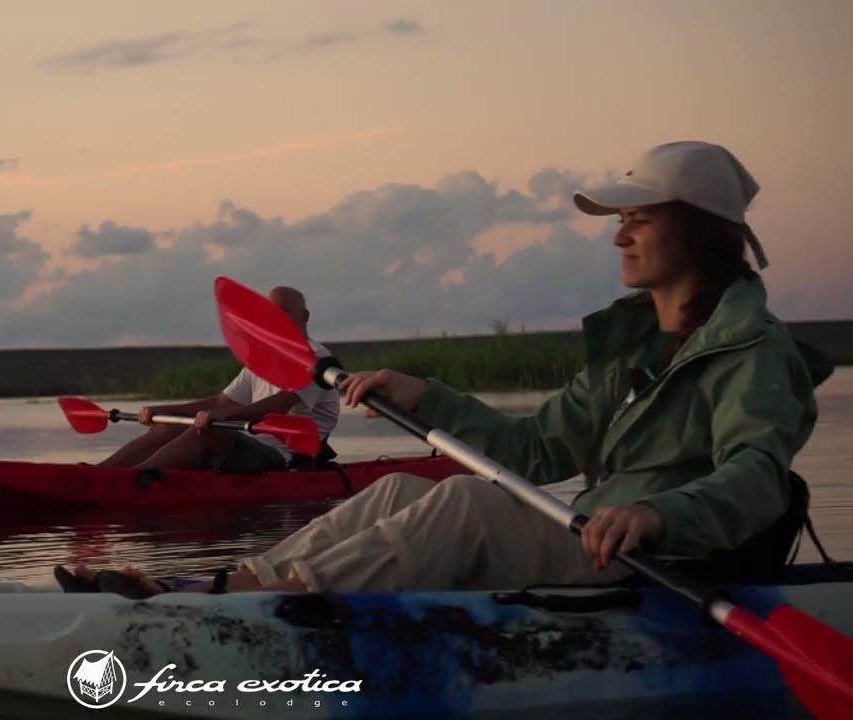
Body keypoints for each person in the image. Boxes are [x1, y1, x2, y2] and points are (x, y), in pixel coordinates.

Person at [57, 140, 827, 599]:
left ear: (693, 229)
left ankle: (238, 598)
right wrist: (427, 395)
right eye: (621, 220)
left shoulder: (757, 354)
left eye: (638, 218)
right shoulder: (632, 350)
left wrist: (659, 516)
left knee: (465, 504)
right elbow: (536, 452)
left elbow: (755, 479)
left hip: (662, 553)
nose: (619, 236)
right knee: (399, 488)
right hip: (603, 532)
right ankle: (230, 586)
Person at [96, 285, 341, 474]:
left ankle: (136, 479)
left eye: (283, 311)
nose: (275, 317)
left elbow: (282, 402)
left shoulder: (317, 359)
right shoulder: (263, 359)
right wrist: (168, 410)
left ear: (305, 316)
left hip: (286, 455)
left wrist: (227, 416)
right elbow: (222, 401)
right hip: (247, 440)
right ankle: (101, 472)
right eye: (270, 312)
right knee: (170, 425)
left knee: (207, 432)